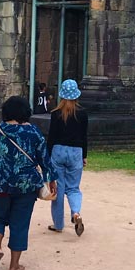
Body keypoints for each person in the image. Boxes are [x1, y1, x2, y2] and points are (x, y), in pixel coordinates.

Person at [0, 96, 57, 270]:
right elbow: (45, 160)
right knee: (20, 224)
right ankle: (14, 266)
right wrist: (51, 179)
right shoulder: (34, 132)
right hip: (27, 185)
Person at [46, 79, 87, 236]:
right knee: (73, 188)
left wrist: (47, 156)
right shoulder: (83, 114)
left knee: (58, 188)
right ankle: (76, 213)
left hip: (58, 151)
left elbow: (51, 137)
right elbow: (84, 137)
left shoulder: (56, 113)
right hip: (76, 151)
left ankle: (58, 224)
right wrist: (84, 155)